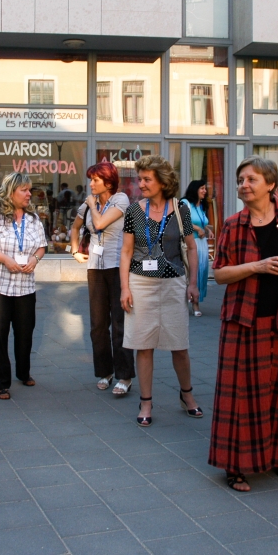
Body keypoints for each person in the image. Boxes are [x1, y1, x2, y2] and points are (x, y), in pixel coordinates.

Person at [209, 156, 278, 491]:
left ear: (271, 184)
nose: (244, 185)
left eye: (251, 179)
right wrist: (257, 266)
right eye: (241, 179)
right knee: (239, 395)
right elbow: (220, 274)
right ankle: (236, 465)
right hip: (243, 319)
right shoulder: (233, 224)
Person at [120, 155, 201, 427]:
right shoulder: (134, 211)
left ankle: (187, 395)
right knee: (143, 345)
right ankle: (146, 402)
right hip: (140, 283)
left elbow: (191, 247)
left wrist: (193, 283)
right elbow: (126, 251)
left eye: (146, 179)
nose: (140, 184)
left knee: (179, 345)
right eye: (139, 178)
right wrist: (124, 288)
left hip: (173, 284)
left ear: (163, 182)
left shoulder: (180, 209)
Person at [0, 172, 47, 399]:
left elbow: (42, 246)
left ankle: (23, 372)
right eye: (24, 190)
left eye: (29, 190)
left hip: (25, 285)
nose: (29, 194)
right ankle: (0, 383)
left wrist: (35, 259)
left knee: (25, 332)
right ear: (10, 192)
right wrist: (5, 259)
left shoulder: (33, 218)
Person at [71, 162, 133, 395]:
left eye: (96, 180)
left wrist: (91, 204)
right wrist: (75, 250)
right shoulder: (89, 203)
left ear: (108, 182)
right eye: (91, 179)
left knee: (119, 323)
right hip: (95, 268)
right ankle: (104, 372)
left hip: (117, 267)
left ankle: (124, 376)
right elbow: (75, 227)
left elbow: (99, 223)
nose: (91, 184)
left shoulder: (121, 200)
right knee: (98, 324)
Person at [182, 180, 212, 316]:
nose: (205, 191)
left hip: (202, 243)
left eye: (205, 188)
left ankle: (196, 301)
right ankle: (193, 305)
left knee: (201, 272)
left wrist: (207, 229)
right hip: (190, 243)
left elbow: (201, 222)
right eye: (202, 188)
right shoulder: (185, 203)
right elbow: (183, 220)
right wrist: (198, 229)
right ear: (195, 189)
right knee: (191, 272)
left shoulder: (202, 206)